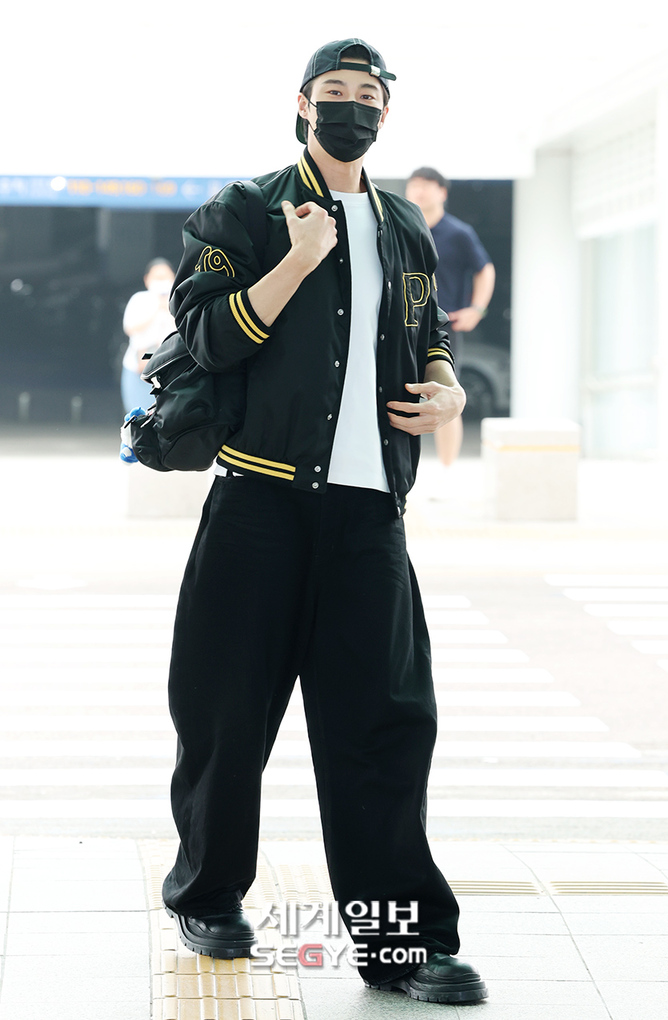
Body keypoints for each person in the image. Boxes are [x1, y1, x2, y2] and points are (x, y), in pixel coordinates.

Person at [161, 38, 487, 1006]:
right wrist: (297, 262)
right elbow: (204, 336)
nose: (352, 106)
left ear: (385, 111)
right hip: (257, 505)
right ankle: (208, 896)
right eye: (333, 91)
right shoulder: (245, 209)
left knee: (386, 727)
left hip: (368, 516)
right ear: (303, 104)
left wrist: (446, 387)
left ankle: (402, 945)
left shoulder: (404, 224)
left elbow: (428, 331)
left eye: (368, 93)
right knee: (225, 715)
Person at [405, 168, 495, 465]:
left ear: (442, 192)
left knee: (446, 393)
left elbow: (485, 269)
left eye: (426, 185)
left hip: (443, 327)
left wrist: (477, 309)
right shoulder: (402, 227)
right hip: (402, 323)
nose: (419, 191)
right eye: (414, 185)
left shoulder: (458, 233)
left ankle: (447, 469)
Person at [120, 258, 176, 412]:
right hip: (138, 367)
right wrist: (157, 309)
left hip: (169, 368)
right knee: (138, 413)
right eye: (157, 277)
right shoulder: (139, 299)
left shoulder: (179, 299)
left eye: (165, 277)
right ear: (147, 279)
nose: (162, 281)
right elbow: (130, 328)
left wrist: (168, 310)